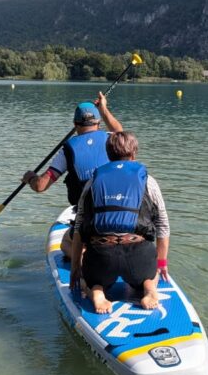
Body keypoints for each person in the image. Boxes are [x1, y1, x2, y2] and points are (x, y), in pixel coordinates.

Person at [70, 130, 169, 315]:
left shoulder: (93, 181)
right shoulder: (148, 181)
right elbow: (163, 224)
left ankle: (97, 292)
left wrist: (76, 268)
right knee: (150, 276)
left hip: (101, 258)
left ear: (108, 155)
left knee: (89, 281)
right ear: (134, 154)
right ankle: (149, 289)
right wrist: (161, 264)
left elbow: (79, 227)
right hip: (139, 256)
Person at [22, 92, 123, 256]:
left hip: (89, 222)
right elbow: (119, 130)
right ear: (98, 123)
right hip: (118, 217)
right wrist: (103, 108)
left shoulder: (66, 151)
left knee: (64, 244)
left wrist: (30, 178)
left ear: (75, 125)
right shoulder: (112, 140)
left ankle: (84, 261)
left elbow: (40, 186)